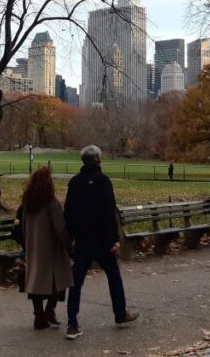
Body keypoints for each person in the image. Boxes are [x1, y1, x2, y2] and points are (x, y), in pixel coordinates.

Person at [64, 145, 138, 340]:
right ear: (98, 160)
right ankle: (120, 313)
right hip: (102, 240)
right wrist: (114, 239)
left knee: (76, 282)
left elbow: (68, 212)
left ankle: (72, 323)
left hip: (82, 240)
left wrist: (70, 237)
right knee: (113, 276)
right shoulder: (103, 181)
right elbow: (108, 212)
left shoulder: (74, 182)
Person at [19, 167, 73, 330]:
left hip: (34, 248)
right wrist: (69, 244)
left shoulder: (27, 203)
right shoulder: (52, 203)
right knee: (61, 278)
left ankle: (39, 315)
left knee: (35, 280)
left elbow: (22, 227)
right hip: (51, 249)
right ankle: (50, 310)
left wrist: (26, 244)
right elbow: (59, 228)